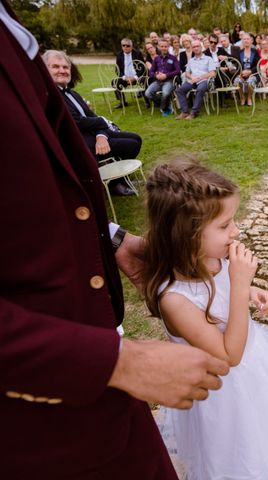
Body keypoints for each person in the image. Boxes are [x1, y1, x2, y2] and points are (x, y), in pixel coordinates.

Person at [0, 3, 229, 478]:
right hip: (31, 417)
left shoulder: (12, 34)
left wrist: (112, 237)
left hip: (101, 397)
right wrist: (115, 362)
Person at [143, 159, 268, 479]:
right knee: (236, 455)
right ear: (185, 234)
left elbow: (223, 290)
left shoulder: (214, 259)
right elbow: (228, 355)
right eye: (224, 226)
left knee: (265, 436)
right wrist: (240, 284)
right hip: (222, 393)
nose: (236, 231)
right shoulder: (175, 299)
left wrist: (249, 290)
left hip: (255, 371)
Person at [44, 49, 141, 196]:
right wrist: (101, 122)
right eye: (56, 67)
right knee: (130, 145)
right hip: (80, 142)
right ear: (45, 70)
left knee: (136, 139)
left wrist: (101, 135)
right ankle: (115, 184)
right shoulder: (51, 96)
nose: (62, 70)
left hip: (93, 133)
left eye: (65, 67)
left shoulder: (72, 93)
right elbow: (77, 122)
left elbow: (91, 116)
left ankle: (120, 177)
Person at [175, 39, 217, 120]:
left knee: (200, 89)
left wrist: (199, 78)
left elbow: (212, 73)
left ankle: (194, 112)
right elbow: (187, 73)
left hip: (205, 80)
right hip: (193, 80)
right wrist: (191, 77)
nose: (196, 48)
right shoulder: (191, 61)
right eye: (194, 47)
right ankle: (185, 112)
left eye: (197, 46)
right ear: (192, 49)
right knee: (180, 90)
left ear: (201, 47)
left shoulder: (208, 59)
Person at [145, 38, 180, 116]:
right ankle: (166, 103)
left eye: (165, 46)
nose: (164, 48)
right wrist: (156, 75)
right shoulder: (156, 59)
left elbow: (178, 70)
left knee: (165, 93)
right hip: (158, 81)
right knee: (147, 93)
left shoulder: (173, 58)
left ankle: (165, 108)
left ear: (168, 47)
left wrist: (166, 75)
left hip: (169, 81)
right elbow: (151, 72)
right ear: (159, 47)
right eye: (162, 46)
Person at [114, 37, 145, 108]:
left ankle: (147, 101)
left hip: (137, 77)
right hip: (125, 78)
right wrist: (125, 78)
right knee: (115, 82)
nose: (125, 47)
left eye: (128, 46)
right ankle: (122, 102)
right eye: (123, 45)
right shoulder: (119, 55)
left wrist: (135, 77)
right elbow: (117, 70)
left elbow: (142, 67)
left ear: (131, 46)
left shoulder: (137, 53)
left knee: (145, 80)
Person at [234, 33, 259, 106]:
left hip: (253, 73)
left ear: (251, 41)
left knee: (250, 81)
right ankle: (242, 97)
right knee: (237, 80)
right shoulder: (239, 52)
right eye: (244, 39)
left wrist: (250, 72)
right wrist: (241, 73)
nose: (246, 40)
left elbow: (258, 65)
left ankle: (249, 98)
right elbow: (237, 65)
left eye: (248, 39)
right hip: (242, 73)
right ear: (242, 41)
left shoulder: (255, 51)